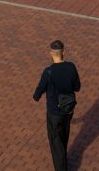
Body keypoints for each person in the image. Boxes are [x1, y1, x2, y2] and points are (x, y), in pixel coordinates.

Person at [32, 39, 81, 171]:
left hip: (54, 112)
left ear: (51, 53)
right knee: (64, 135)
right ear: (63, 52)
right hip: (68, 110)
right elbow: (77, 87)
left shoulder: (48, 72)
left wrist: (36, 96)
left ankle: (61, 167)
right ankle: (63, 159)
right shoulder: (71, 67)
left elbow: (40, 89)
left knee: (55, 141)